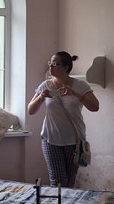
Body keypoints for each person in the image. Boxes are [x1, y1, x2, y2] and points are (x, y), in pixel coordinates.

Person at [27, 51, 99, 188]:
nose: (50, 67)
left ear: (66, 67)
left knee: (69, 181)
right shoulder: (46, 85)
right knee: (57, 181)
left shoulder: (80, 86)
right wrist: (41, 97)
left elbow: (95, 107)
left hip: (74, 140)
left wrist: (76, 94)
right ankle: (58, 202)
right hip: (50, 138)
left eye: (55, 64)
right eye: (50, 63)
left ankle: (66, 203)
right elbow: (31, 110)